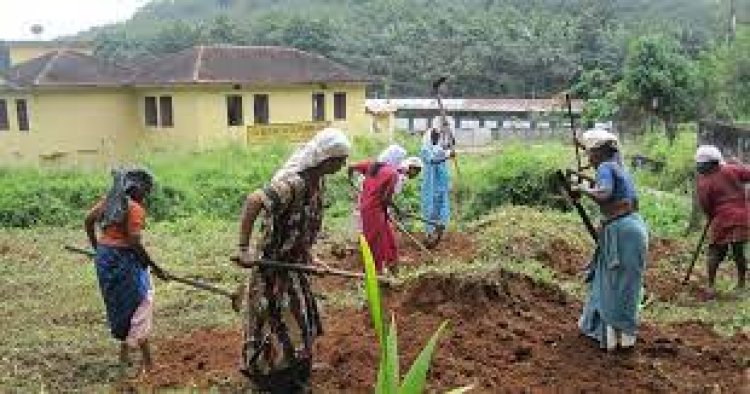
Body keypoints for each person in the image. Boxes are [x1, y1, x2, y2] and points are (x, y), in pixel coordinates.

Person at [236, 128, 351, 393]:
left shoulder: (317, 184)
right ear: (325, 160)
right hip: (273, 269)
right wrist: (244, 249)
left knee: (303, 322)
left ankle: (295, 376)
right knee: (279, 325)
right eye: (339, 160)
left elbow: (301, 229)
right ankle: (271, 379)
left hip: (294, 266)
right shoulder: (294, 185)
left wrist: (311, 258)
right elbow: (254, 200)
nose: (343, 165)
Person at [84, 168, 164, 374]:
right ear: (136, 189)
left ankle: (124, 359)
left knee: (121, 306)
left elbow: (88, 220)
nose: (146, 195)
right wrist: (154, 266)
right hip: (124, 260)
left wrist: (98, 248)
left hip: (105, 259)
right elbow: (134, 241)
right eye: (145, 190)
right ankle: (148, 364)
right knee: (142, 303)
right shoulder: (135, 208)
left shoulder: (110, 202)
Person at [575, 129, 649, 352]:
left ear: (598, 153)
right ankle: (626, 338)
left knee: (611, 285)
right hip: (635, 227)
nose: (588, 158)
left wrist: (582, 189)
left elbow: (605, 194)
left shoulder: (606, 168)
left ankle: (610, 338)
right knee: (627, 285)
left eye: (590, 153)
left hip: (621, 233)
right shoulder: (620, 169)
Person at [348, 144, 420, 274]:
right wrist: (395, 209)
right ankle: (375, 271)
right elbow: (386, 199)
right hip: (375, 210)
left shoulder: (373, 165)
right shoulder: (392, 174)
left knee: (386, 237)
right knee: (375, 240)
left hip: (368, 207)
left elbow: (351, 167)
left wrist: (353, 185)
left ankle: (391, 264)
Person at [695, 145, 749, 299]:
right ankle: (741, 285)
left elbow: (706, 205)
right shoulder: (732, 170)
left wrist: (711, 216)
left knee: (716, 251)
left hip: (721, 219)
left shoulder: (704, 181)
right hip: (741, 217)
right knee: (739, 252)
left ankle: (711, 286)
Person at [421, 128, 453, 236]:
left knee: (440, 204)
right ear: (430, 137)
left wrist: (449, 150)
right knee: (430, 204)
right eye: (435, 136)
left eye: (438, 137)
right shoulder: (425, 149)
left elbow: (445, 151)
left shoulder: (438, 148)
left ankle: (440, 228)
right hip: (431, 182)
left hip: (440, 182)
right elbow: (432, 161)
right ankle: (429, 231)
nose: (436, 138)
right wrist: (447, 157)